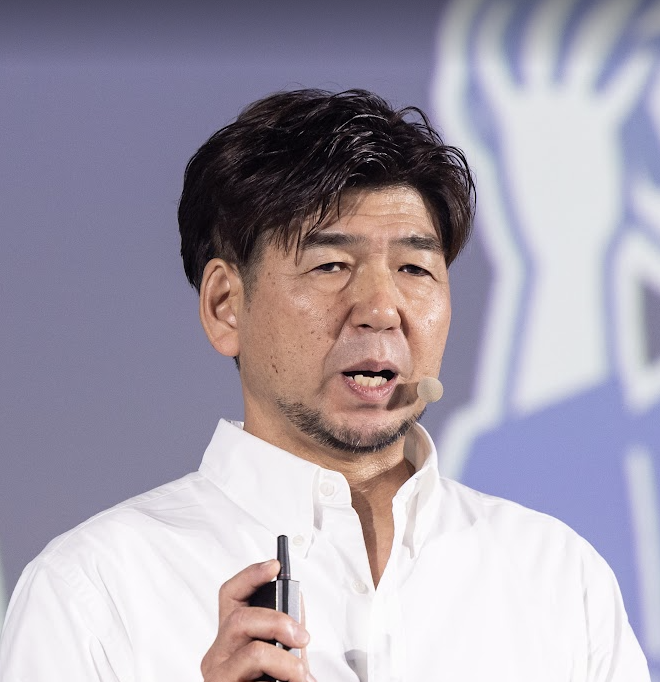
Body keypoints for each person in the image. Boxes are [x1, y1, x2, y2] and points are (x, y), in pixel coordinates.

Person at [0, 89, 649, 681]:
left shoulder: (559, 579)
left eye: (415, 268)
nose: (382, 308)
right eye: (331, 265)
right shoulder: (93, 593)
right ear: (226, 306)